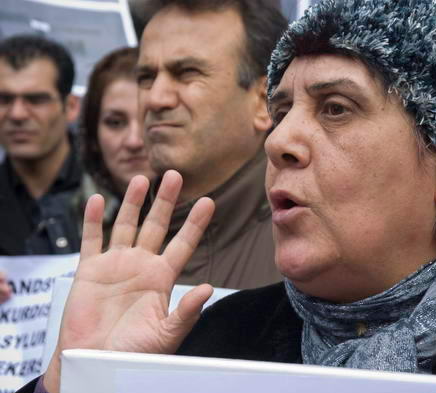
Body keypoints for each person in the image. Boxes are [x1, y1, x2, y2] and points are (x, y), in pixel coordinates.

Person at [11, 0, 436, 393]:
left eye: (336, 108)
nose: (278, 140)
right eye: (282, 111)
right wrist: (79, 379)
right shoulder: (216, 336)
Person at [132, 0, 288, 287]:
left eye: (187, 73)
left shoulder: (315, 257)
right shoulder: (109, 254)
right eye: (145, 77)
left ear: (263, 102)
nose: (155, 98)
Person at [0, 35, 81, 255]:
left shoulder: (112, 186)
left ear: (70, 107)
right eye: (4, 99)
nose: (17, 114)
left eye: (36, 100)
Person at [74, 46, 156, 246]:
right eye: (115, 122)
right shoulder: (60, 219)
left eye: (149, 119)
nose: (134, 141)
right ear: (93, 135)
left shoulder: (206, 213)